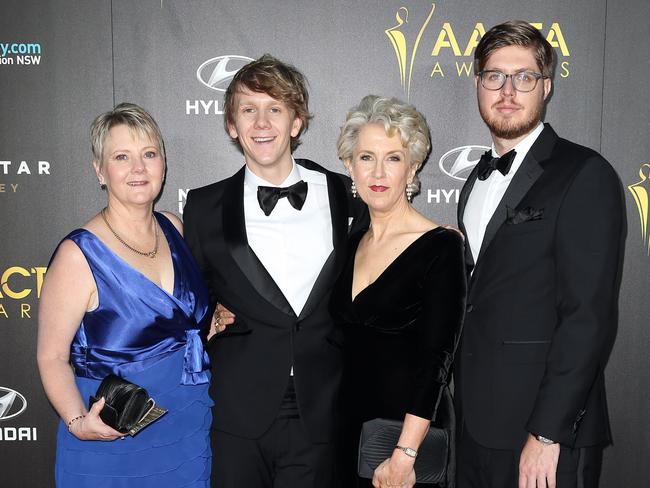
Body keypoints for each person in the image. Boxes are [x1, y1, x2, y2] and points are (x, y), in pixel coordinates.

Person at [183, 54, 368, 488]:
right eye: (248, 110)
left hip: (323, 408)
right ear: (232, 125)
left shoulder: (344, 193)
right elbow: (189, 294)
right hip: (236, 411)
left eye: (275, 109)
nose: (261, 123)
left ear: (297, 122)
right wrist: (207, 315)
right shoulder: (203, 207)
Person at [455, 20, 625, 488]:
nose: (508, 90)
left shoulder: (584, 174)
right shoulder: (473, 184)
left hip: (545, 436)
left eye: (524, 77)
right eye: (494, 76)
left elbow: (587, 316)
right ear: (478, 84)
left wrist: (547, 433)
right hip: (473, 428)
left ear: (546, 86)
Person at [37, 103, 213, 487]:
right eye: (122, 157)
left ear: (163, 164)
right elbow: (51, 356)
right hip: (109, 440)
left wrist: (209, 324)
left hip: (187, 426)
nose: (138, 168)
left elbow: (177, 325)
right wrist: (78, 422)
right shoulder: (78, 255)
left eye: (148, 154)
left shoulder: (174, 227)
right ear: (100, 170)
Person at [330, 95, 466, 488]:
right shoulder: (351, 241)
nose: (378, 171)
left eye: (393, 158)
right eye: (366, 157)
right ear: (349, 167)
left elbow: (436, 361)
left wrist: (405, 455)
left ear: (413, 168)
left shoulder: (441, 246)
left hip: (406, 439)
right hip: (348, 433)